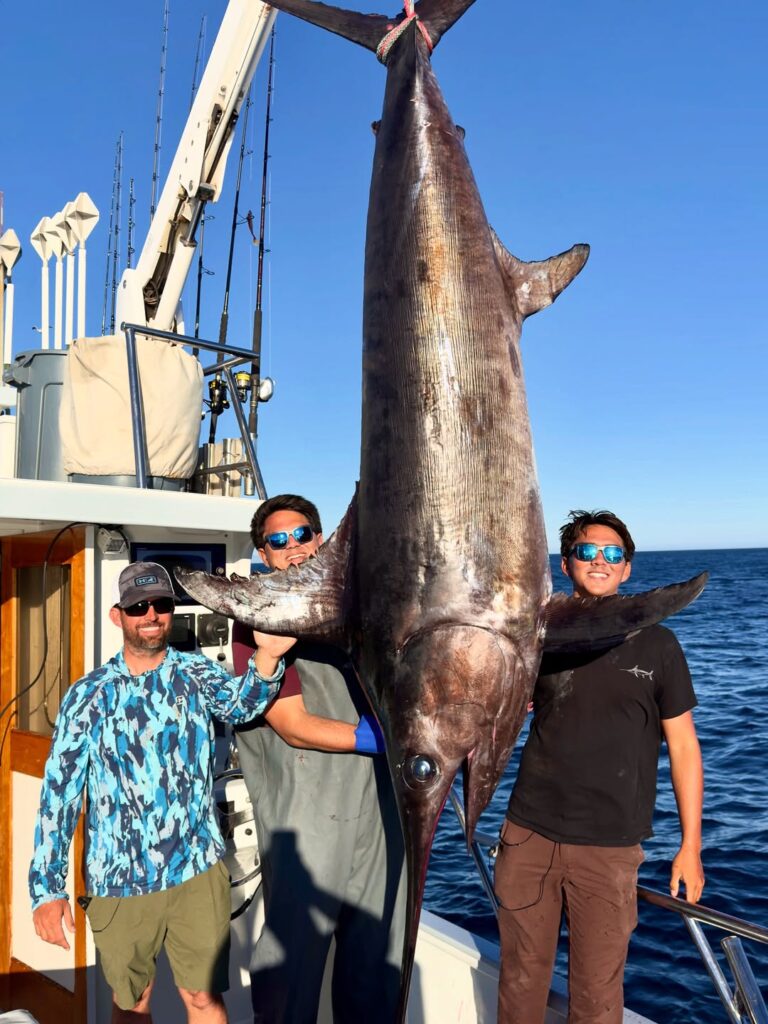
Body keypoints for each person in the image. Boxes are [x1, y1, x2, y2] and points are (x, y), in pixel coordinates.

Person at [30, 561, 285, 1024]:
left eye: (162, 605)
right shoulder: (88, 695)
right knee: (133, 1003)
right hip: (119, 881)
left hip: (197, 871)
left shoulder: (196, 674)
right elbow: (59, 795)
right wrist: (47, 889)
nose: (152, 615)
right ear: (117, 616)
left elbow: (242, 704)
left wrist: (267, 656)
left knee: (202, 998)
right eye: (138, 606)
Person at [495, 510, 705, 1024]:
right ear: (566, 563)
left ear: (628, 569)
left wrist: (690, 846)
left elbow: (683, 747)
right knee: (521, 981)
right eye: (587, 551)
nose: (600, 561)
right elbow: (498, 707)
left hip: (609, 850)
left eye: (613, 554)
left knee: (597, 997)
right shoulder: (537, 636)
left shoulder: (659, 643)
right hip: (529, 835)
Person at [231, 494, 405, 1024]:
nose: (294, 548)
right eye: (278, 541)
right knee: (293, 967)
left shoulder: (363, 607)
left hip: (381, 811)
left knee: (376, 960)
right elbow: (293, 725)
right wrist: (376, 737)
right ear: (263, 554)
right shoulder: (254, 621)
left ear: (321, 539)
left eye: (302, 534)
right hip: (305, 819)